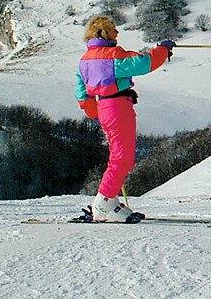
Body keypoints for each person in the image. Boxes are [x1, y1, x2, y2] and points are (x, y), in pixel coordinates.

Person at [74, 15, 174, 222]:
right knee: (123, 158)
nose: (117, 33)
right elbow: (143, 63)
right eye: (112, 29)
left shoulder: (85, 60)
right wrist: (163, 50)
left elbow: (82, 93)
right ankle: (103, 203)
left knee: (118, 156)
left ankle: (109, 201)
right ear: (103, 33)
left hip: (104, 107)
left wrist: (95, 113)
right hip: (117, 107)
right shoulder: (111, 55)